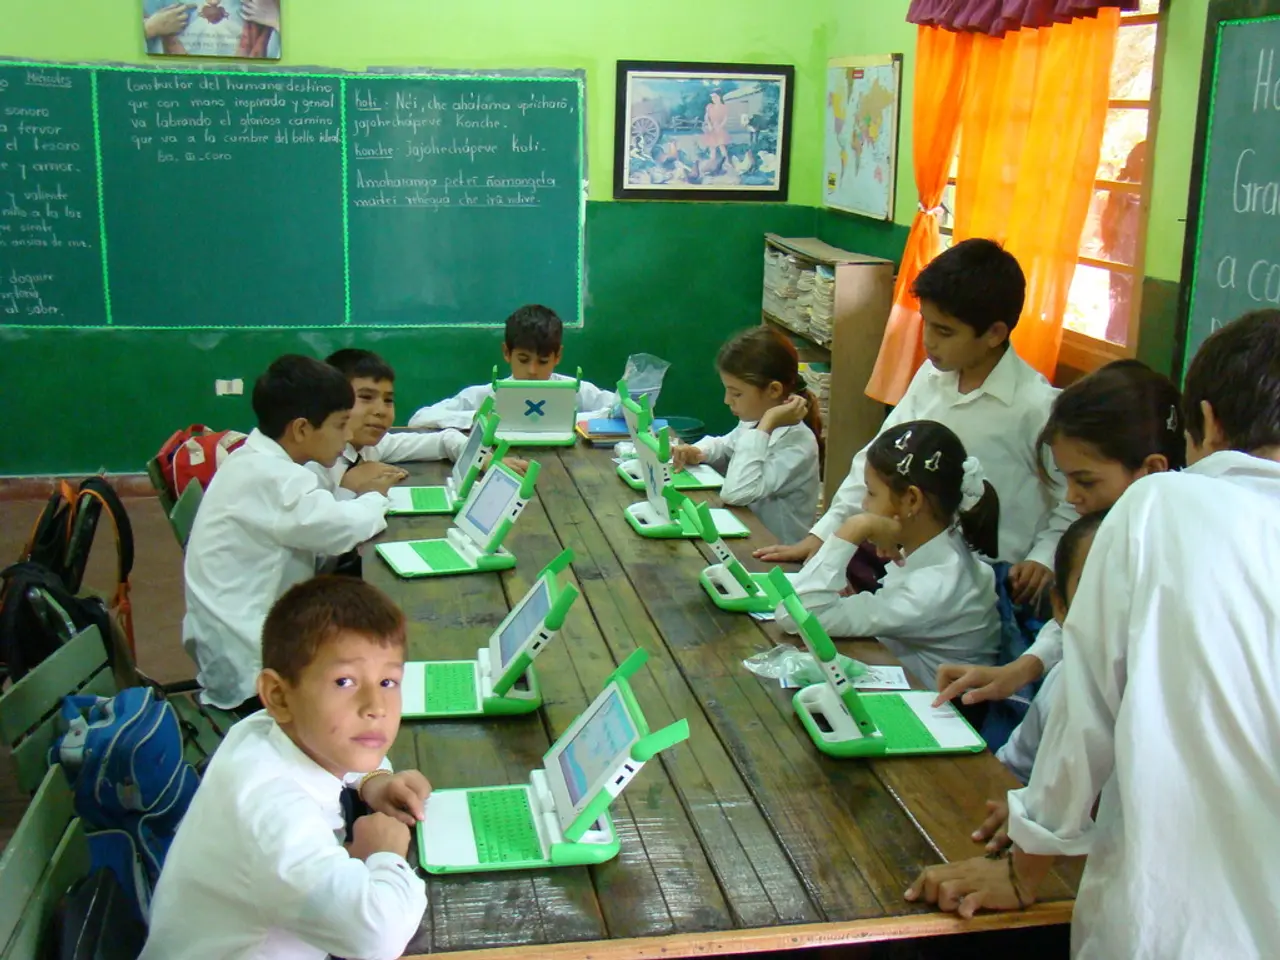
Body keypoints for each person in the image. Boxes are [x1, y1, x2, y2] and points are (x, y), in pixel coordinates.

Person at [906, 310, 1280, 959]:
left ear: (1209, 422)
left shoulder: (1162, 504)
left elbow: (1088, 710)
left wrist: (1028, 865)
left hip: (1181, 920)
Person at [755, 239, 1071, 611]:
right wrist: (824, 533)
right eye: (927, 325)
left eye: (945, 331)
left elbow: (1073, 502)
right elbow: (875, 461)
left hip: (987, 591)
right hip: (909, 571)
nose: (929, 341)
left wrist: (1045, 556)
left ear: (995, 334)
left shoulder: (1036, 407)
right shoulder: (930, 379)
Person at [143, 577, 429, 960]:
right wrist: (384, 853)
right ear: (278, 695)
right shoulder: (272, 811)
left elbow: (341, 742)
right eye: (344, 681)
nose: (375, 706)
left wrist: (374, 781)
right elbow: (377, 939)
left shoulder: (263, 731)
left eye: (388, 681)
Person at [933, 359, 1184, 709]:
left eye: (1085, 481)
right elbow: (1078, 620)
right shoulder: (1103, 532)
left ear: (1152, 469)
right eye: (1066, 479)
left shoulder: (1178, 555)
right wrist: (1020, 670)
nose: (1071, 497)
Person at [183, 355, 392, 711]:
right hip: (252, 670)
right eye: (341, 424)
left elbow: (319, 521)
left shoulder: (255, 462)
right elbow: (340, 530)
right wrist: (377, 498)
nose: (348, 435)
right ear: (300, 429)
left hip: (237, 640)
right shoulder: (272, 478)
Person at [775, 420, 1002, 686]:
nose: (863, 504)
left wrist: (857, 525)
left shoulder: (936, 585)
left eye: (871, 493)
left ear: (911, 500)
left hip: (924, 717)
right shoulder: (943, 548)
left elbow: (794, 617)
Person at [671, 327, 821, 544]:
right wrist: (698, 452)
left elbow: (737, 493)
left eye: (736, 393)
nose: (727, 400)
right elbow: (726, 445)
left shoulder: (797, 444)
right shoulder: (753, 421)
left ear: (774, 390)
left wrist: (766, 426)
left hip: (776, 554)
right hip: (746, 536)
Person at [990, 509, 1106, 789]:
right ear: (1060, 607)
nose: (1116, 602)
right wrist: (1018, 805)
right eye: (1095, 585)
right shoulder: (1063, 680)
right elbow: (1014, 769)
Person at [408, 304, 617, 430]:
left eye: (543, 361)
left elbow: (620, 408)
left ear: (558, 356)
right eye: (524, 360)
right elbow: (419, 420)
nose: (533, 371)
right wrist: (480, 418)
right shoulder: (487, 396)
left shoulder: (575, 390)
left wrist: (570, 419)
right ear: (507, 353)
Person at [319, 348, 467, 495]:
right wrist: (348, 488)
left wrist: (479, 458)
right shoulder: (316, 463)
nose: (381, 411)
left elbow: (442, 441)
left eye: (388, 400)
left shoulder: (369, 447)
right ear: (333, 399)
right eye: (366, 397)